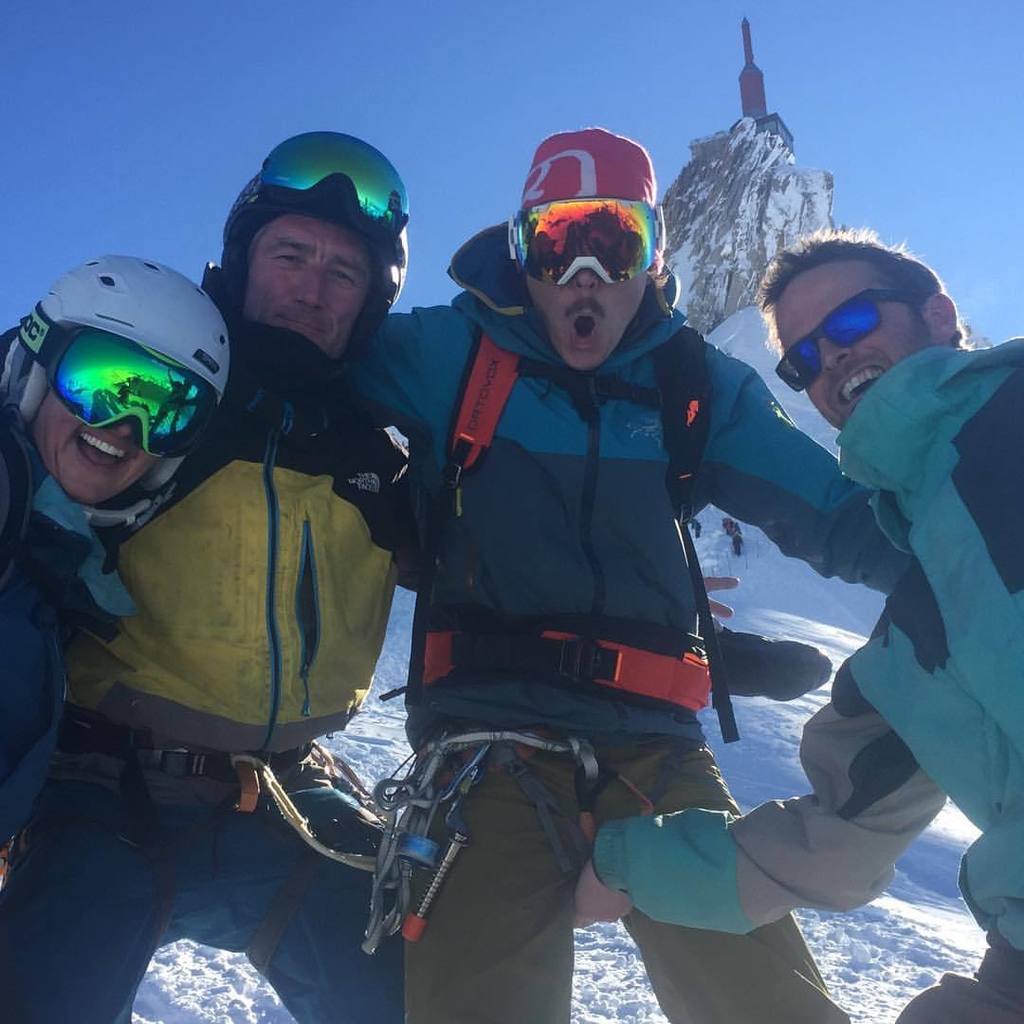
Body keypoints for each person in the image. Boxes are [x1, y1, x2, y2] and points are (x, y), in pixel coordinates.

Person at [348, 128, 909, 1024]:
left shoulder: (694, 385)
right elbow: (298, 368)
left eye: (614, 244)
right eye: (556, 245)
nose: (584, 277)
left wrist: (970, 556)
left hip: (654, 745)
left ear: (653, 258)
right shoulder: (454, 354)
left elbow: (837, 513)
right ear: (518, 254)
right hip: (484, 744)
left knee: (772, 1007)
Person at [0, 133, 415, 1023]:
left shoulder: (383, 445)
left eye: (344, 272)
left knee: (424, 993)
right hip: (98, 782)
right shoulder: (159, 377)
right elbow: (33, 397)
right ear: (241, 256)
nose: (312, 287)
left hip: (288, 795)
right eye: (290, 254)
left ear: (373, 299)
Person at [576, 228, 1023, 1023]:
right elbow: (837, 842)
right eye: (804, 359)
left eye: (852, 324)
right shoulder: (912, 632)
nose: (834, 361)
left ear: (939, 314)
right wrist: (618, 866)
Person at [0, 254, 229, 845]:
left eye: (167, 411)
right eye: (100, 383)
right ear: (35, 366)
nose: (127, 424)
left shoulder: (52, 555)